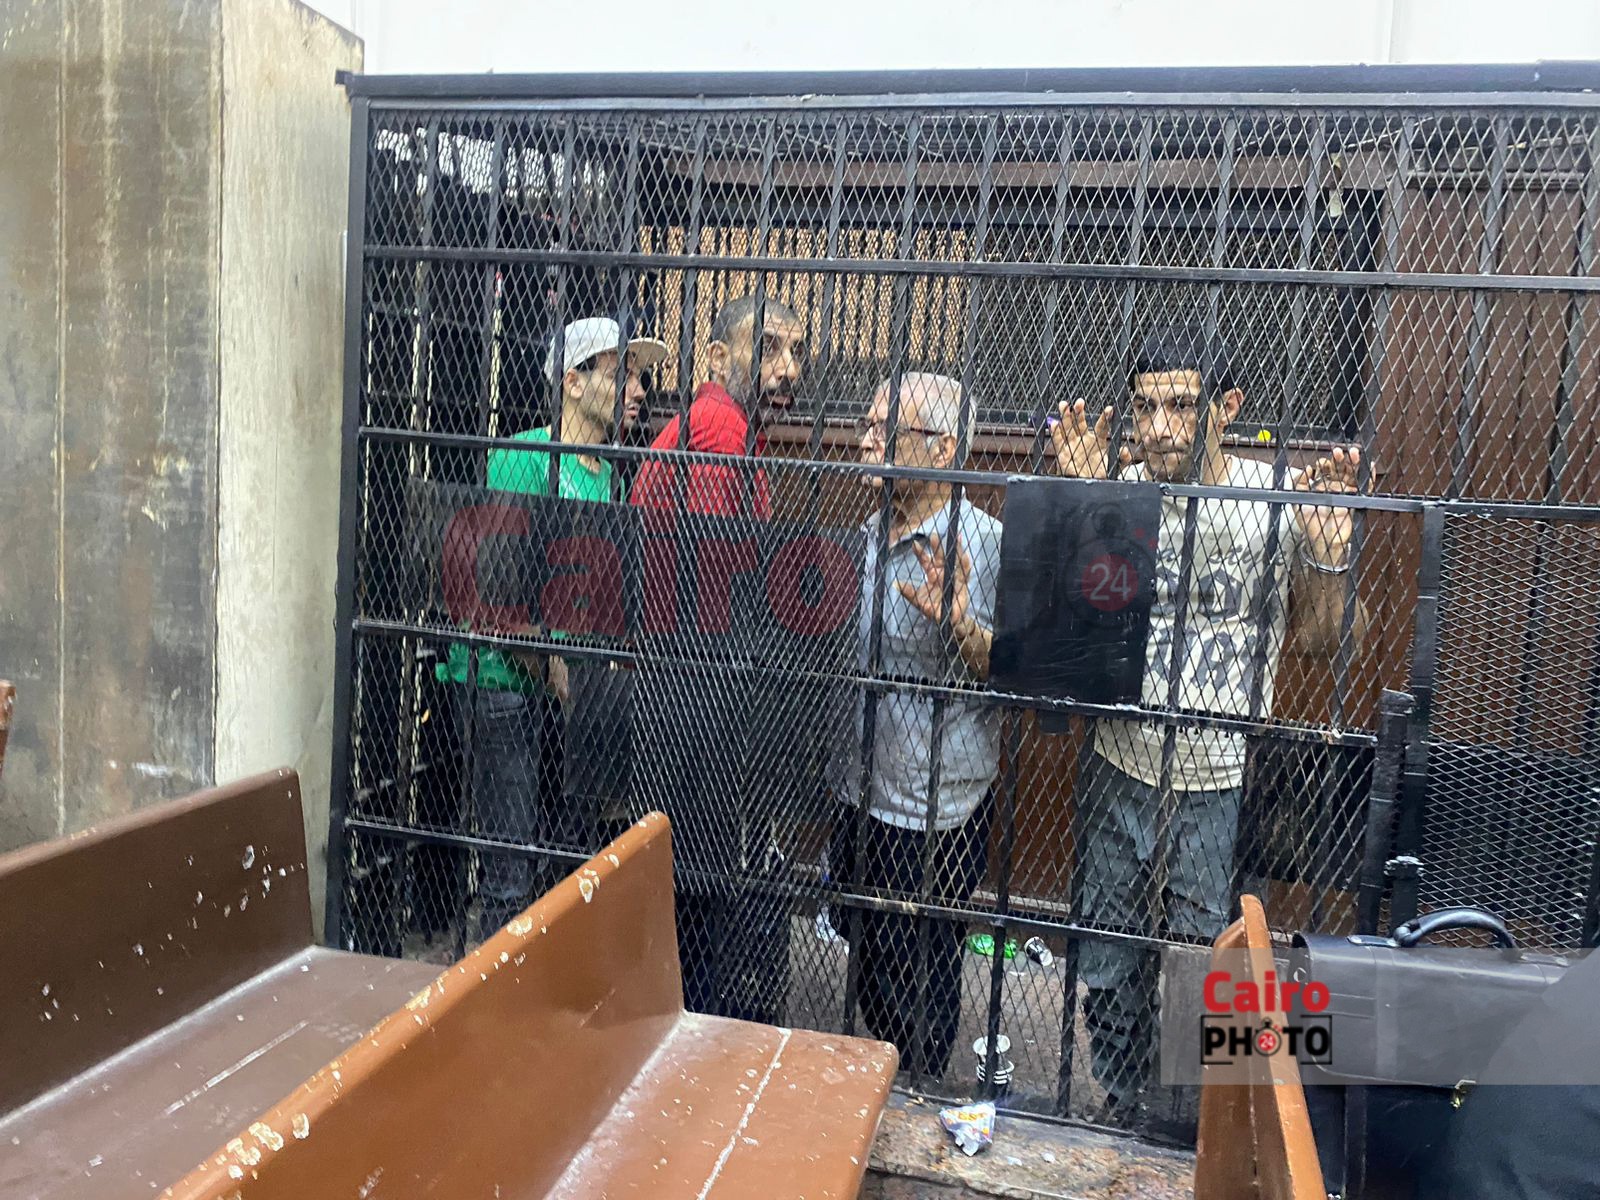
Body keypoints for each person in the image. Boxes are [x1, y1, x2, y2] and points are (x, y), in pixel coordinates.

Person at [1051, 323, 1364, 1125]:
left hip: (1222, 774)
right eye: (1145, 407)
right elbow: (1059, 634)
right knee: (1110, 954)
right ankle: (1123, 1098)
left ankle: (1200, 1121)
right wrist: (1081, 507)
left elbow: (1326, 641)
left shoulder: (1273, 499)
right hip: (1119, 758)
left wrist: (1328, 557)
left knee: (1213, 964)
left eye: (1182, 406)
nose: (1159, 427)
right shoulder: (1119, 486)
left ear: (1227, 409)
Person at [439, 316, 664, 938]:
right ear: (573, 382)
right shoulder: (525, 456)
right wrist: (560, 671)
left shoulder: (609, 472)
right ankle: (498, 990)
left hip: (565, 689)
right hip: (504, 682)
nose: (638, 390)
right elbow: (500, 593)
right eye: (621, 375)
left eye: (640, 378)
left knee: (564, 861)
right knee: (510, 868)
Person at [629, 293, 808, 1024]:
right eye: (769, 349)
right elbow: (711, 576)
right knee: (696, 874)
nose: (789, 368)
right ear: (717, 357)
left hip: (686, 678)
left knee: (691, 868)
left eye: (797, 351)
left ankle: (686, 1013)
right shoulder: (717, 429)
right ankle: (691, 1020)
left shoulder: (730, 431)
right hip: (689, 686)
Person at [829, 372, 1002, 1079]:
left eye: (886, 430)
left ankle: (919, 1087)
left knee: (920, 966)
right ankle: (885, 1070)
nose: (866, 442)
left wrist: (961, 625)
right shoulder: (867, 534)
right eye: (866, 425)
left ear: (942, 448)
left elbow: (1012, 669)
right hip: (858, 785)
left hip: (935, 805)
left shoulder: (984, 544)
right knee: (865, 939)